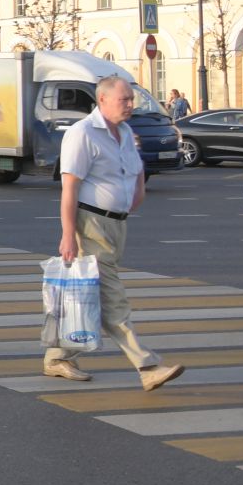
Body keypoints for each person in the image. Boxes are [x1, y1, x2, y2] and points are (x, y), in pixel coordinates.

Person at [46, 76, 184, 390]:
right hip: (90, 224)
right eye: (125, 100)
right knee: (113, 299)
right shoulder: (82, 134)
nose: (131, 105)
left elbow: (136, 175)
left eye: (131, 99)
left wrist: (135, 195)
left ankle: (57, 357)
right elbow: (70, 188)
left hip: (117, 224)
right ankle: (147, 365)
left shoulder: (123, 132)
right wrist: (68, 235)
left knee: (90, 296)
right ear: (103, 100)